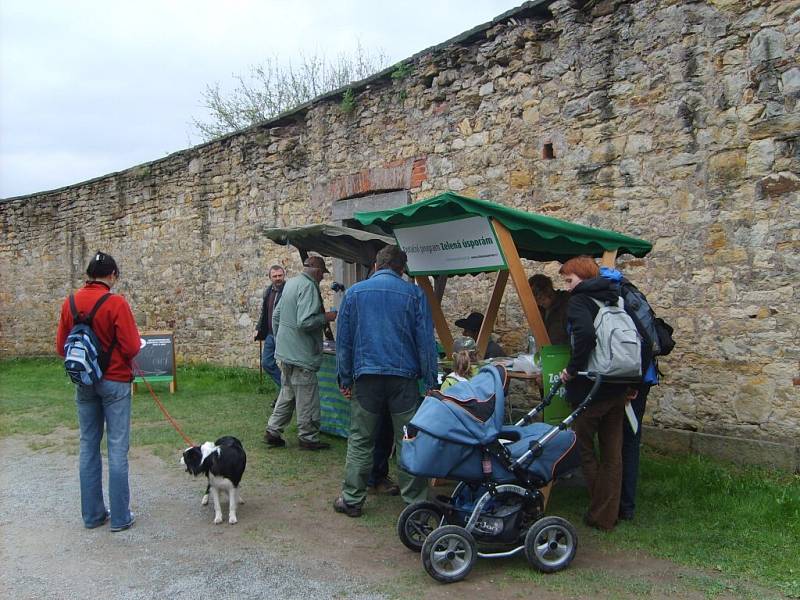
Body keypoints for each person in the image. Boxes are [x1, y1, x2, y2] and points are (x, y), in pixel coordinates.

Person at [333, 245, 437, 517]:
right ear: (402, 270)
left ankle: (352, 499)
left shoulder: (354, 294)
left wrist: (344, 378)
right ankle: (415, 502)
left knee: (360, 439)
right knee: (409, 439)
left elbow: (343, 342)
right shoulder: (415, 295)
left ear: (376, 266)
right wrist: (430, 383)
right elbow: (426, 343)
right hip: (403, 380)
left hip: (366, 378)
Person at [55, 251, 142, 532]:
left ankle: (92, 515)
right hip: (115, 381)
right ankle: (119, 517)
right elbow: (130, 347)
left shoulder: (70, 303)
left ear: (88, 275)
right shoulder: (116, 303)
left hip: (84, 382)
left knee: (88, 446)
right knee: (117, 448)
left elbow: (61, 348)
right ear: (112, 276)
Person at [558, 256, 630, 531]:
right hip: (618, 385)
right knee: (613, 454)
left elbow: (585, 336)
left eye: (569, 280)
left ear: (583, 279)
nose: (566, 287)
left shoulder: (579, 301)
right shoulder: (615, 298)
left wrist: (572, 370)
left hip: (592, 386)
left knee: (582, 447)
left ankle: (599, 512)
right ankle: (609, 514)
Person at [599, 266, 659, 522]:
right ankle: (624, 504)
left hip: (631, 382)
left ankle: (622, 504)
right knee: (628, 440)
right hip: (642, 378)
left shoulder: (614, 301)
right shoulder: (633, 296)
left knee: (621, 440)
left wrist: (630, 386)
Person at [264, 255, 337, 451]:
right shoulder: (309, 287)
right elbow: (305, 322)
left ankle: (273, 430)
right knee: (307, 397)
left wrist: (282, 340)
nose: (322, 278)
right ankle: (308, 437)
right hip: (302, 355)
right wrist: (326, 316)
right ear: (316, 271)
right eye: (322, 274)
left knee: (287, 392)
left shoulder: (291, 284)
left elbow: (276, 315)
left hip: (285, 352)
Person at [254, 264, 286, 387]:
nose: (278, 278)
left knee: (286, 366)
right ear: (270, 277)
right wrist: (258, 328)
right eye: (275, 276)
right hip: (270, 335)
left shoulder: (288, 291)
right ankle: (285, 390)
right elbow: (265, 312)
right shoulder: (268, 291)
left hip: (283, 335)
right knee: (267, 363)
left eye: (280, 275)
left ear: (283, 276)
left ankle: (285, 395)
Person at [528, 274, 570, 345]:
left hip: (563, 351)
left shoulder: (566, 304)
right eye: (536, 301)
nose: (539, 303)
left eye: (541, 298)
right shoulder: (540, 310)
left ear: (548, 291)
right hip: (547, 351)